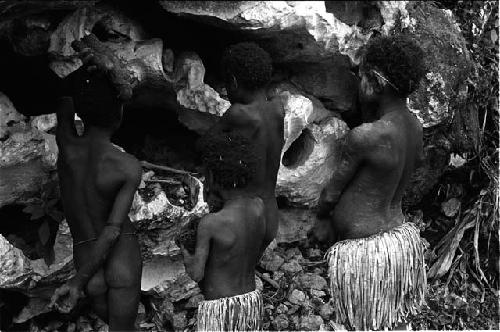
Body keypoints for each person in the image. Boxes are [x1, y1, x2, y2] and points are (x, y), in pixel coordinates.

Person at [317, 35, 427, 331]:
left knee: (361, 322)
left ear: (374, 83)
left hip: (363, 254)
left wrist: (322, 219)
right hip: (398, 242)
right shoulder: (415, 128)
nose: (356, 81)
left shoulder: (367, 137)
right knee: (389, 318)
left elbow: (332, 191)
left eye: (361, 75)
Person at [49, 66, 142, 331]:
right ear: (119, 113)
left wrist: (80, 281)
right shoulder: (127, 166)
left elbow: (64, 95)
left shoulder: (66, 143)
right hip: (121, 257)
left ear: (82, 111)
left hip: (86, 260)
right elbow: (112, 231)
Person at [182, 130, 266, 331]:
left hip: (221, 308)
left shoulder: (212, 223)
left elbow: (196, 273)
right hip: (250, 301)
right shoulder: (258, 207)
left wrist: (185, 249)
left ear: (212, 176)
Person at [207, 42, 284, 256]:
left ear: (232, 81)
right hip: (270, 215)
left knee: (227, 277)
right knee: (245, 274)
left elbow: (208, 142)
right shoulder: (278, 109)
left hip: (245, 216)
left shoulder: (239, 114)